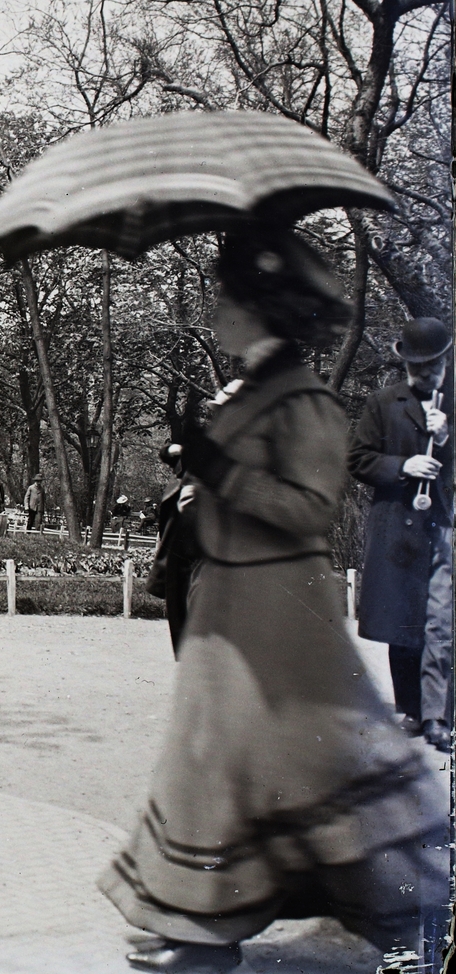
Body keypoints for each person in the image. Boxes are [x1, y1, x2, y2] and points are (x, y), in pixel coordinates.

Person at [99, 227, 446, 974]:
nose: (217, 311)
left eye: (229, 298)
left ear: (264, 309)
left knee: (300, 769)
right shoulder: (252, 389)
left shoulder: (305, 401)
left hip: (279, 609)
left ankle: (395, 917)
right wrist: (195, 452)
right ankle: (199, 919)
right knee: (222, 762)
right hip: (229, 601)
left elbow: (308, 509)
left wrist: (217, 463)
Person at [349, 317, 453, 753]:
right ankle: (412, 709)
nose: (422, 375)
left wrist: (445, 438)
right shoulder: (383, 403)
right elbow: (358, 458)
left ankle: (437, 717)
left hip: (444, 527)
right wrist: (402, 467)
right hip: (398, 526)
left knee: (442, 621)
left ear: (444, 361)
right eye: (415, 368)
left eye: (430, 366)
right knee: (403, 623)